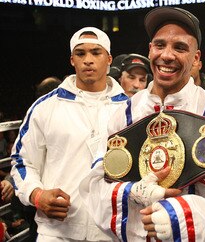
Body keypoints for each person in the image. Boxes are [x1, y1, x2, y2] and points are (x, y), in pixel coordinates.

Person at [80, 7, 205, 241]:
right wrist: (132, 192)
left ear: (196, 58)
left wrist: (185, 216)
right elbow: (94, 186)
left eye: (180, 47)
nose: (167, 55)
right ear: (150, 49)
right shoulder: (123, 114)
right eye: (160, 45)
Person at [10, 27, 127, 241]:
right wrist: (36, 194)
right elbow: (22, 161)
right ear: (72, 60)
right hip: (56, 231)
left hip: (111, 232)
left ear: (109, 58)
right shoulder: (45, 107)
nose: (88, 60)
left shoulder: (130, 110)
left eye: (96, 52)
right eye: (80, 53)